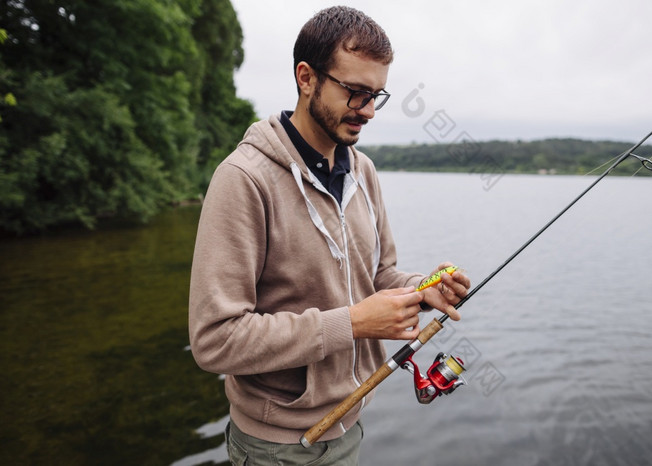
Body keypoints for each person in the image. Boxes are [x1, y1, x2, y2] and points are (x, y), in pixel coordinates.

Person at [188, 5, 470, 465]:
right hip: (274, 446)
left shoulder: (364, 171)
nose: (368, 111)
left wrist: (422, 289)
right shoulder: (243, 179)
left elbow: (378, 277)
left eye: (377, 95)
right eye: (356, 93)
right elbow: (215, 339)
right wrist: (354, 323)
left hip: (350, 425)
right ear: (306, 78)